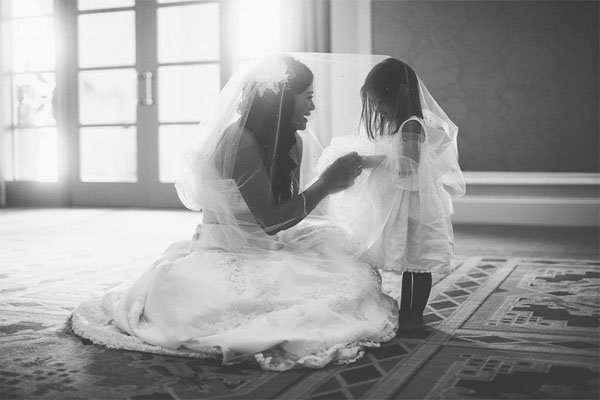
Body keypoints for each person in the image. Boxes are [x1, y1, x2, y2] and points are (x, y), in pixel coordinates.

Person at [71, 54, 398, 371]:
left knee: (350, 268)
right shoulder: (238, 142)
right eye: (307, 97)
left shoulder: (292, 143)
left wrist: (335, 183)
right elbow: (271, 220)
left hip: (270, 244)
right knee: (244, 304)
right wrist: (325, 184)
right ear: (283, 100)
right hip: (227, 247)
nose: (313, 106)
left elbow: (283, 213)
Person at [319, 58, 465, 330]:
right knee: (411, 262)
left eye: (379, 102)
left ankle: (414, 316)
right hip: (404, 202)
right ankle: (408, 314)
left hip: (416, 205)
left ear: (398, 94)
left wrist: (369, 160)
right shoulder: (400, 126)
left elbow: (409, 166)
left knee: (419, 262)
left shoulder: (412, 125)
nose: (377, 110)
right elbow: (398, 158)